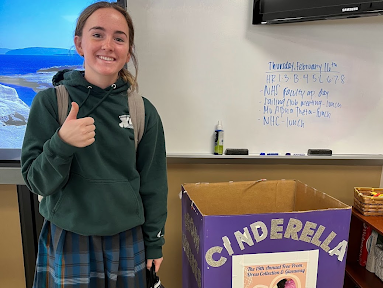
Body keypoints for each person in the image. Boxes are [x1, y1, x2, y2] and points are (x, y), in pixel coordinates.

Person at [21, 2, 168, 287]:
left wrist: (154, 243)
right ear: (79, 44)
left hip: (128, 240)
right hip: (67, 237)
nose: (108, 45)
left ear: (128, 49)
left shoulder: (142, 111)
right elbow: (37, 182)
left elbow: (154, 184)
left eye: (119, 38)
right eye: (97, 34)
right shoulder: (51, 103)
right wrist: (62, 143)